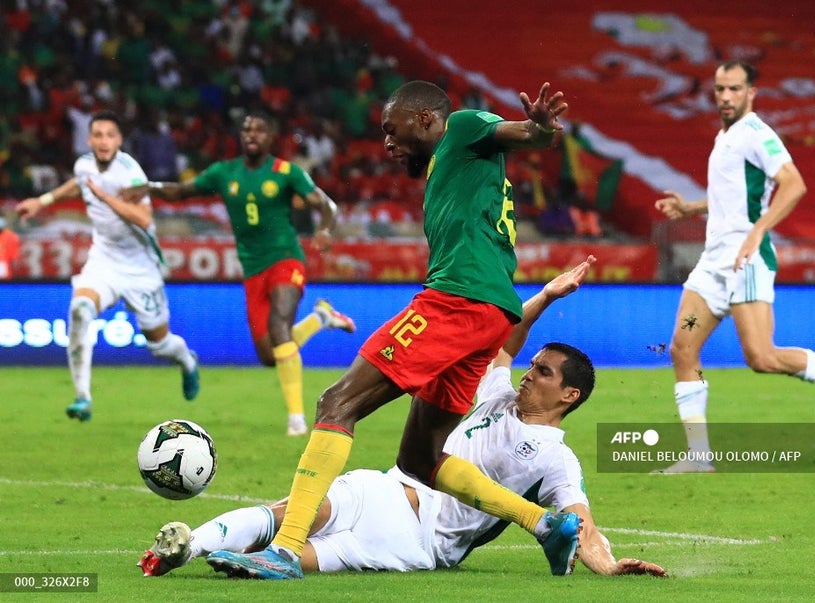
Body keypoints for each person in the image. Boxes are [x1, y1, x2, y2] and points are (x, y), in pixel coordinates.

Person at [207, 81, 583, 580]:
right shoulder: (452, 165)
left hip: (458, 299)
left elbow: (523, 135)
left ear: (425, 118)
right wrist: (537, 133)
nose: (386, 142)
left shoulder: (463, 127)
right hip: (490, 311)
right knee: (420, 460)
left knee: (337, 403)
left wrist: (539, 128)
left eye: (392, 129)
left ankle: (285, 550)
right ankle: (545, 525)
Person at [139, 259, 667, 578]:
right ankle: (187, 546)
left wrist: (609, 564)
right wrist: (547, 296)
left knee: (296, 544)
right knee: (294, 522)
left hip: (422, 541)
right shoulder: (497, 392)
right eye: (533, 366)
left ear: (570, 394)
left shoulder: (557, 458)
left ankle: (212, 549)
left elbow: (581, 524)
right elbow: (506, 340)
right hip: (389, 490)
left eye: (544, 373)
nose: (529, 374)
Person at [653, 60, 815, 473]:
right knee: (682, 348)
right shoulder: (725, 136)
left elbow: (794, 183)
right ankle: (698, 455)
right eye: (720, 89)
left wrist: (758, 230)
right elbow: (734, 197)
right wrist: (691, 208)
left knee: (762, 358)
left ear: (751, 93)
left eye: (735, 89)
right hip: (713, 263)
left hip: (746, 261)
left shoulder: (757, 134)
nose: (726, 96)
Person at [126, 112, 356, 437]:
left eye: (259, 130)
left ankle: (296, 419)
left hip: (286, 259)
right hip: (252, 269)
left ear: (271, 137)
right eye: (247, 129)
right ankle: (321, 317)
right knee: (269, 355)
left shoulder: (286, 172)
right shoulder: (225, 172)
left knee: (279, 327)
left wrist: (325, 229)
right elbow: (182, 191)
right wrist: (149, 186)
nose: (252, 134)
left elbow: (327, 205)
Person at [15, 109, 200, 422]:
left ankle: (187, 361)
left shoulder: (130, 173)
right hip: (104, 260)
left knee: (160, 345)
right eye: (98, 135)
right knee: (80, 310)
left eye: (110, 136)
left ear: (119, 140)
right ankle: (82, 398)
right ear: (89, 140)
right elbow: (79, 184)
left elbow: (144, 219)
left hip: (140, 268)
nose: (103, 141)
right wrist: (42, 201)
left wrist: (107, 198)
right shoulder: (84, 165)